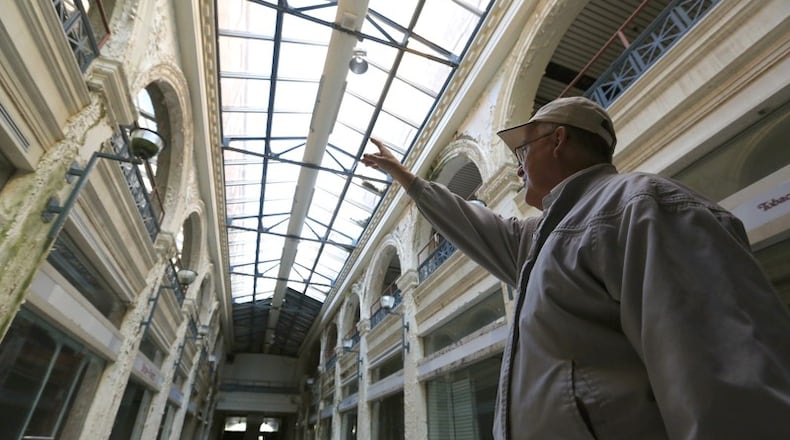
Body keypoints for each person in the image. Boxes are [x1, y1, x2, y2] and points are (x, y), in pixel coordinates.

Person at [361, 96, 790, 439]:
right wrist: (407, 178)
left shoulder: (640, 206)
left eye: (523, 151)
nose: (518, 166)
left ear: (558, 140)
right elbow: (472, 224)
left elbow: (726, 388)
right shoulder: (541, 240)